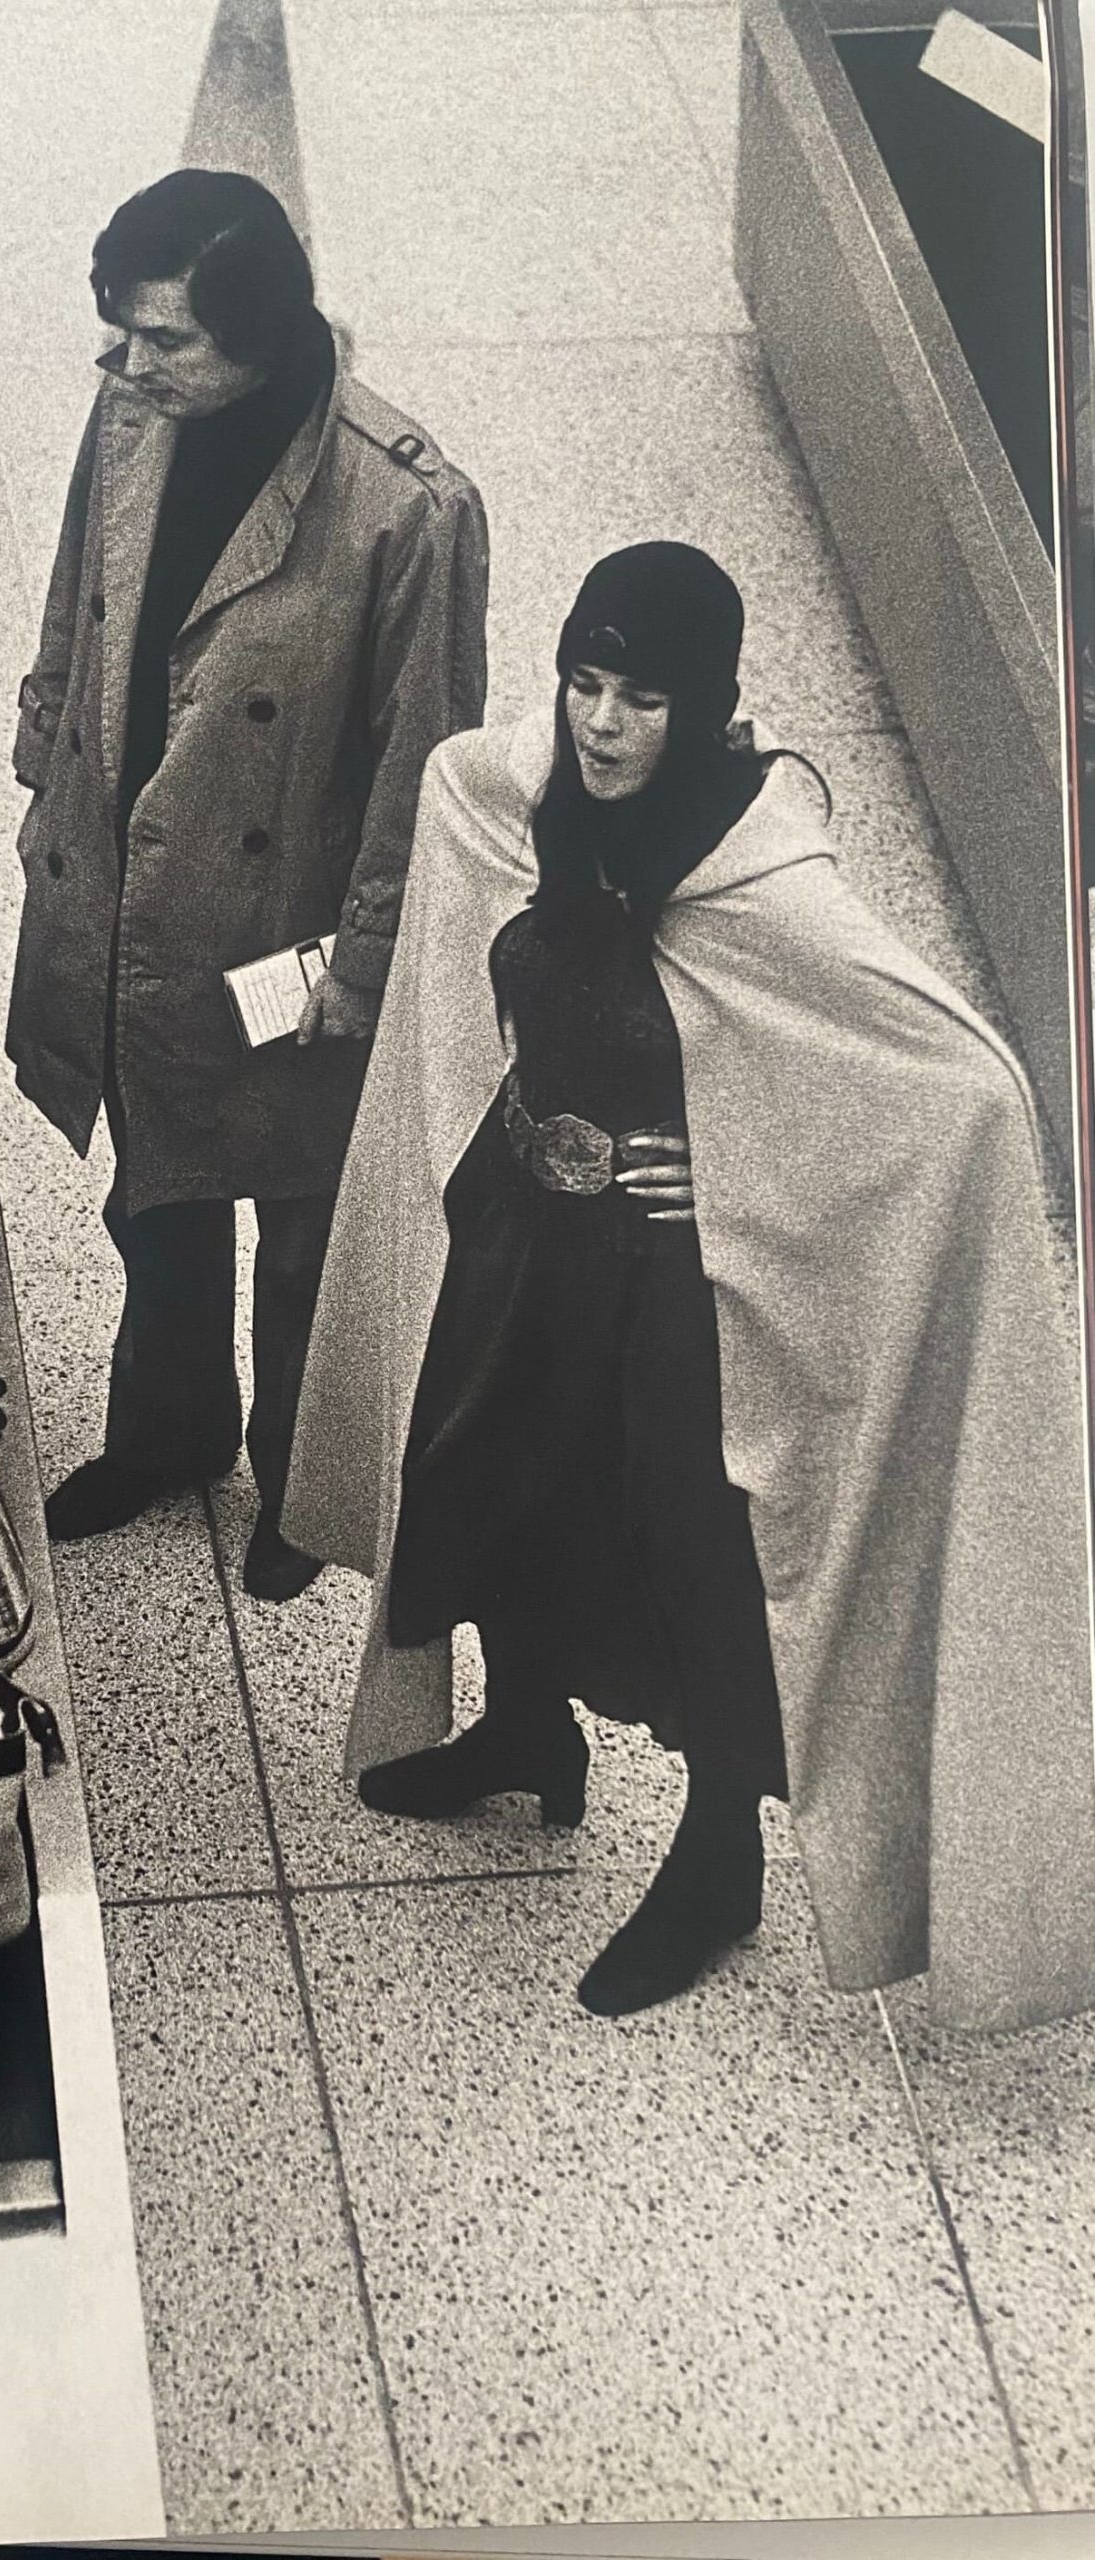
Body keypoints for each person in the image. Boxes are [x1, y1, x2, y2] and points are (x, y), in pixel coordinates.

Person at [284, 542, 1095, 2032]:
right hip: (525, 1232)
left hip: (670, 1285)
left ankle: (720, 1864)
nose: (599, 725)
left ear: (705, 705)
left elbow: (963, 1088)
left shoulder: (761, 877)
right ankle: (529, 1736)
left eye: (641, 698)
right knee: (488, 1480)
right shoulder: (536, 792)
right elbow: (469, 780)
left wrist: (710, 1166)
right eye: (583, 684)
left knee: (694, 1559)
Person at [7, 168, 489, 1599]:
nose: (131, 366)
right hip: (130, 881)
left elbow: (428, 757)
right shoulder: (134, 414)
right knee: (153, 1191)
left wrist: (367, 956)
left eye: (166, 342)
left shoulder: (408, 507)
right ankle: (168, 1428)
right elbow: (78, 590)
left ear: (262, 338)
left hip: (282, 936)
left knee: (295, 1229)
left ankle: (301, 1479)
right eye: (124, 335)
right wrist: (47, 745)